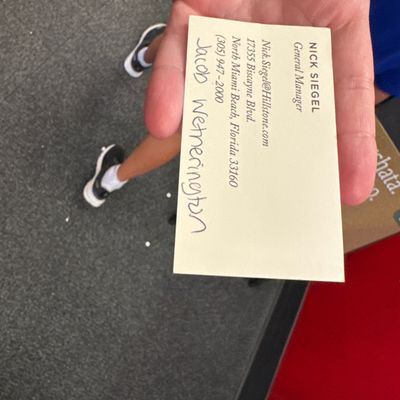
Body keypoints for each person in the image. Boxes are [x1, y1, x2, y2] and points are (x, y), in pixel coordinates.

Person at [84, 0, 397, 208]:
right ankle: (111, 180)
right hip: (305, 79)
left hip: (268, 18)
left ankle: (140, 59)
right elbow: (373, 90)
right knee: (189, 123)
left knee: (189, 37)